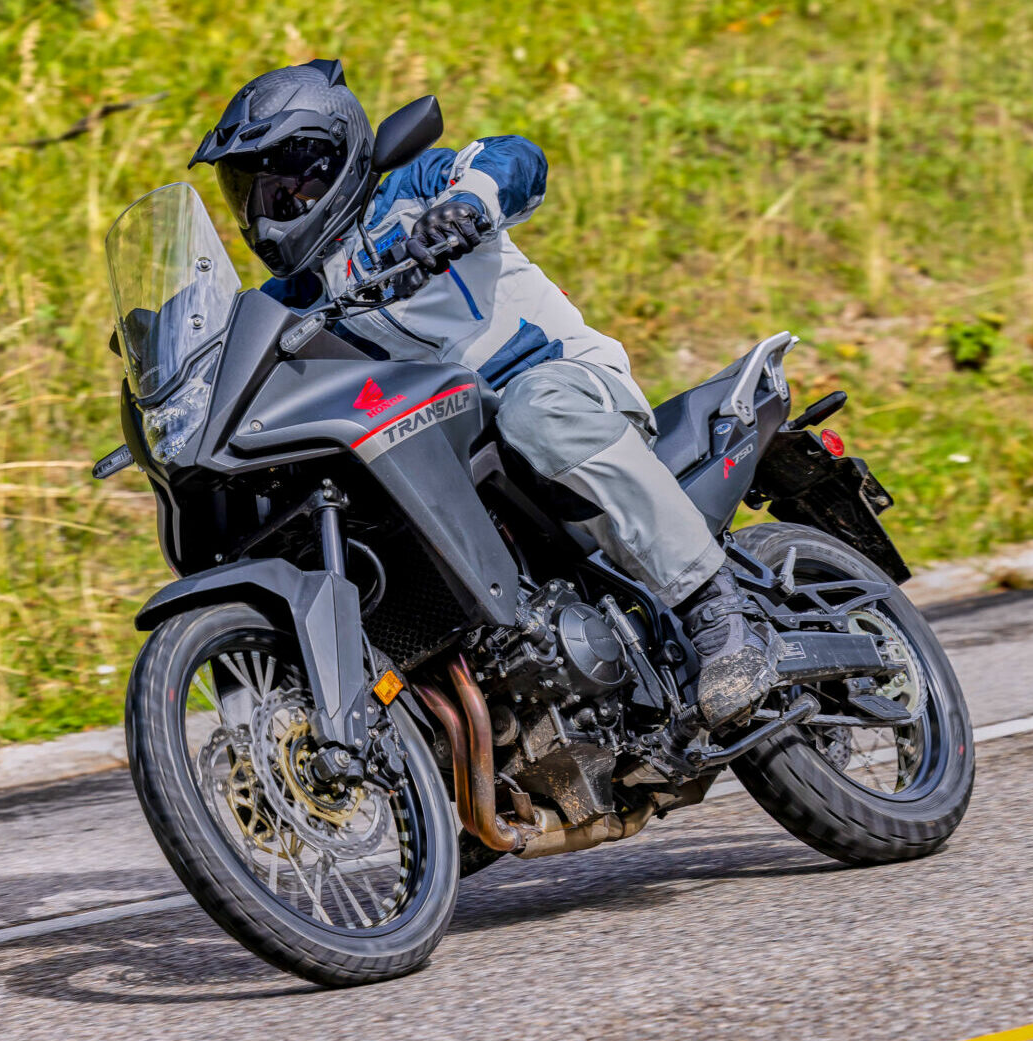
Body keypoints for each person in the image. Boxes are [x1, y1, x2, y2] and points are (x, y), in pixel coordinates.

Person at [191, 59, 777, 727]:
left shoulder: (413, 191)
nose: (268, 215)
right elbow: (241, 348)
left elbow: (512, 159)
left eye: (286, 184)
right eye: (253, 194)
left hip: (563, 390)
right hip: (446, 454)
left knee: (534, 410)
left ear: (335, 159)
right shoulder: (289, 301)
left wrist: (466, 207)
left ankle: (717, 610)